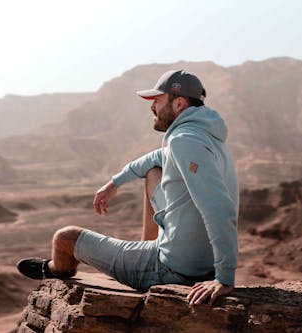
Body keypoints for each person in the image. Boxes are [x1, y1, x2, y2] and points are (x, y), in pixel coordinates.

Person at [17, 70, 239, 306]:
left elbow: (219, 209)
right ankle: (147, 246)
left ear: (179, 103)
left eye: (157, 100)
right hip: (195, 259)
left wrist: (224, 278)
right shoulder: (204, 134)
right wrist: (115, 183)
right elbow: (156, 157)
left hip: (174, 270)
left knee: (65, 238)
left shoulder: (184, 140)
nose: (152, 108)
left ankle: (55, 269)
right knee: (154, 172)